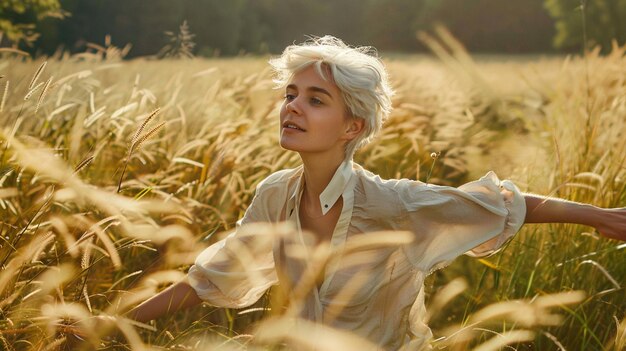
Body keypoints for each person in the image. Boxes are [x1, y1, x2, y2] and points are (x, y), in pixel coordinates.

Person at [126, 36, 626, 350]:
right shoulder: (274, 196)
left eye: (316, 100)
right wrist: (111, 324)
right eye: (290, 95)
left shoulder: (393, 205)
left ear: (352, 126)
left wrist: (599, 216)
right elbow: (209, 278)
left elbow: (502, 204)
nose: (293, 108)